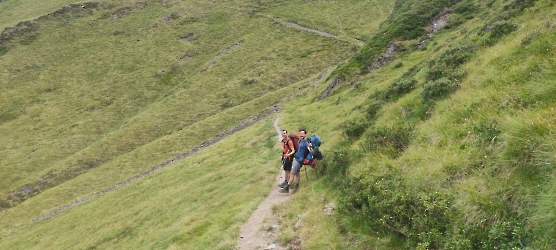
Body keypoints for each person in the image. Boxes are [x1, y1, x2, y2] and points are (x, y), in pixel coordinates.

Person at [279, 129, 313, 193]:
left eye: (302, 134)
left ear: (305, 134)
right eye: (300, 134)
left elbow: (311, 151)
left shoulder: (306, 142)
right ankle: (296, 187)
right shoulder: (300, 141)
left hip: (300, 160)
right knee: (297, 173)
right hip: (297, 158)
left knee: (292, 173)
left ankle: (287, 188)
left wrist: (310, 147)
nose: (301, 135)